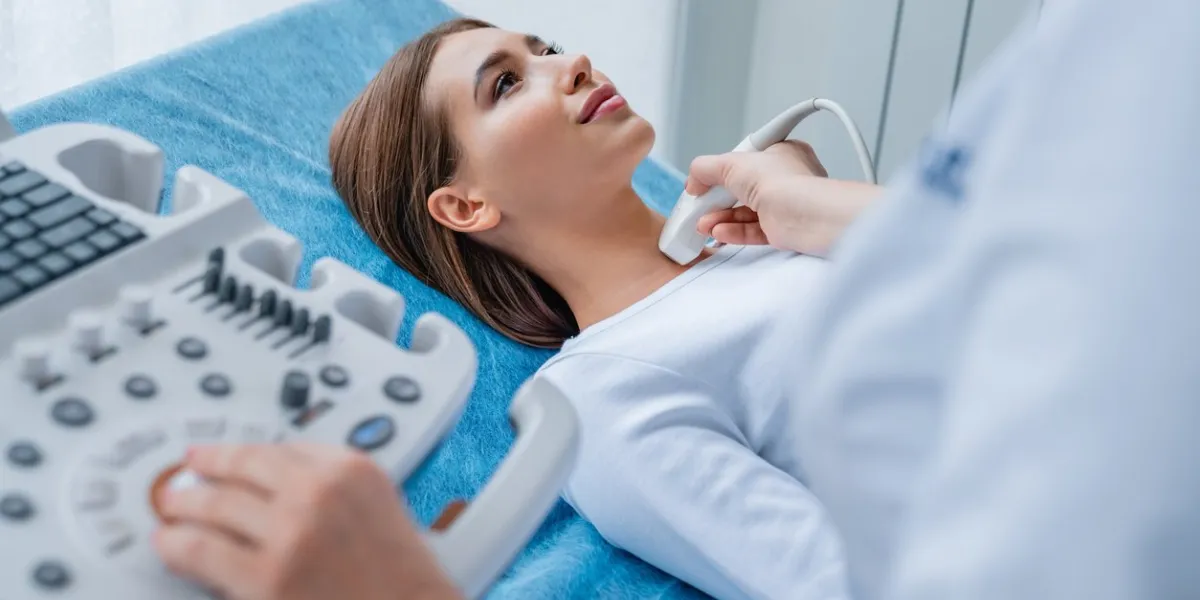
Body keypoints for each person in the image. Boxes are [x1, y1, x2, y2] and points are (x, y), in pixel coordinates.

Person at [153, 16, 876, 600]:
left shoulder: (778, 221)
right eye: (505, 84)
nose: (574, 63)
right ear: (465, 206)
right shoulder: (605, 394)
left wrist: (831, 211)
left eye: (546, 50)